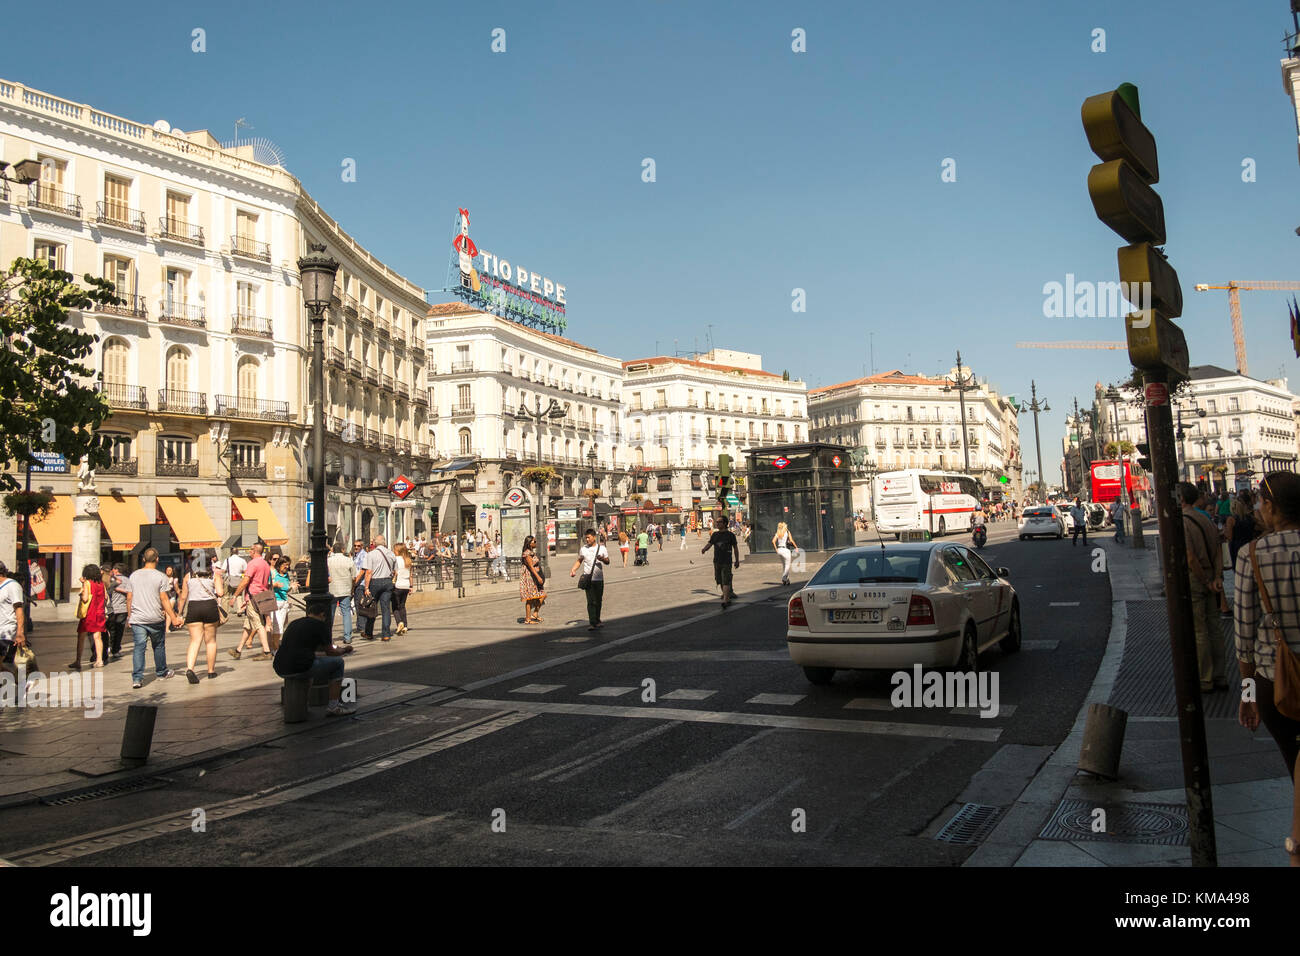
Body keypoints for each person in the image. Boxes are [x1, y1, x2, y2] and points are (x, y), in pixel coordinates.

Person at [1233, 472, 1300, 867]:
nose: (1259, 509)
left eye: (1261, 502)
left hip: (1275, 681)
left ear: (1272, 507)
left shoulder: (1252, 555)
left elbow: (1243, 634)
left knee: (1295, 761)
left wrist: (1246, 695)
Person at [273, 597, 356, 716]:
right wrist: (343, 650)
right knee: (338, 663)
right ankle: (334, 706)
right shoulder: (320, 625)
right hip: (300, 667)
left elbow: (306, 649)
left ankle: (303, 704)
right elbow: (331, 653)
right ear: (322, 614)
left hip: (280, 667)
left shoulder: (294, 623)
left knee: (311, 662)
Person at [1180, 482, 1227, 694]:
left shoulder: (1183, 522)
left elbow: (1190, 557)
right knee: (1215, 628)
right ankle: (1220, 675)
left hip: (1196, 580)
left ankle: (1205, 678)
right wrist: (1216, 577)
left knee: (1200, 630)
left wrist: (1205, 580)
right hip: (1211, 576)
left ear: (1181, 499)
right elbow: (1218, 549)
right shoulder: (1206, 519)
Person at [126, 548, 182, 689]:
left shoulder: (133, 576)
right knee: (158, 646)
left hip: (138, 619)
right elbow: (164, 599)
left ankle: (137, 678)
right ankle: (161, 672)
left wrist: (129, 616)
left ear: (143, 559)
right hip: (155, 617)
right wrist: (174, 618)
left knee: (139, 647)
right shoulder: (161, 576)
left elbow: (129, 598)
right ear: (157, 559)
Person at [179, 550, 224, 683]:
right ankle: (211, 671)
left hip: (193, 608)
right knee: (210, 641)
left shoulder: (188, 576)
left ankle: (190, 668)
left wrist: (179, 614)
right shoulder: (214, 575)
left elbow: (183, 597)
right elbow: (220, 593)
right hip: (210, 608)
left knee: (194, 641)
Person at [229, 542, 273, 661]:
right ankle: (238, 650)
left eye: (250, 550)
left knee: (258, 625)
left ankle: (266, 651)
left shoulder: (253, 564)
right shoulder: (265, 564)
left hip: (254, 598)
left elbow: (245, 581)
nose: (249, 551)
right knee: (248, 625)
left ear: (253, 551)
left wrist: (235, 595)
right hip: (262, 596)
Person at [570, 528, 611, 631]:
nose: (587, 539)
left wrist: (602, 559)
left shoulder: (602, 548)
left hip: (599, 579)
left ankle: (597, 619)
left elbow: (608, 561)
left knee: (598, 600)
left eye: (588, 537)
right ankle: (592, 622)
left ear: (594, 537)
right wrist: (573, 570)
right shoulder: (583, 549)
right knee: (590, 601)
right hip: (588, 578)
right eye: (586, 538)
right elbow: (579, 560)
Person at [362, 534, 398, 641]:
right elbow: (396, 571)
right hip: (387, 582)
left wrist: (366, 587)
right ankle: (386, 634)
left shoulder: (371, 554)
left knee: (371, 607)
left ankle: (369, 632)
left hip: (375, 582)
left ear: (375, 543)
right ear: (384, 542)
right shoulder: (391, 554)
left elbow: (368, 572)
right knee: (386, 608)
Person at [702, 512, 741, 608]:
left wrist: (737, 560)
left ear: (724, 523)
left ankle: (726, 600)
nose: (717, 523)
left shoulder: (730, 535)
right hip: (717, 561)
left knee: (726, 580)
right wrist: (704, 549)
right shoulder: (715, 534)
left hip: (727, 561)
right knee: (719, 579)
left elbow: (735, 548)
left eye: (719, 522)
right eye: (717, 522)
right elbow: (710, 544)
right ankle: (726, 595)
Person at [72, 563, 107, 670]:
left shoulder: (87, 583)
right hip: (99, 612)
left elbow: (86, 598)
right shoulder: (101, 584)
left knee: (81, 637)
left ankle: (78, 660)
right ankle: (99, 660)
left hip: (89, 613)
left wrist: (82, 591)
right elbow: (105, 597)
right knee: (98, 637)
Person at [1225, 492, 1259, 595]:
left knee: (1239, 570)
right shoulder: (1249, 518)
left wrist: (1225, 533)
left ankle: (1244, 591)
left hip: (1236, 546)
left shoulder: (1231, 519)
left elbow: (1230, 537)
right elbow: (1263, 527)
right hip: (1249, 544)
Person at [0, 561, 28, 680]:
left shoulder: (12, 585)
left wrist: (20, 632)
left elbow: (19, 610)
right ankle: (21, 682)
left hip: (7, 631)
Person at [326, 542, 358, 644]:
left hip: (332, 589)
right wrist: (352, 587)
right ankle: (347, 636)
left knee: (330, 614)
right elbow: (354, 576)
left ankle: (328, 637)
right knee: (346, 613)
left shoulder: (328, 561)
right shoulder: (349, 560)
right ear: (343, 550)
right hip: (345, 589)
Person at [103, 563, 128, 662]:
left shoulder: (107, 580)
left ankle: (109, 648)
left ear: (116, 570)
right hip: (122, 608)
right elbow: (130, 594)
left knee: (109, 630)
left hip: (111, 609)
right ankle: (115, 649)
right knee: (119, 630)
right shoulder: (127, 580)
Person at [519, 535, 545, 624]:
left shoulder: (531, 552)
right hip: (530, 578)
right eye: (534, 541)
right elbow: (531, 567)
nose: (536, 543)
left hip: (534, 577)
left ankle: (535, 614)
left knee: (542, 595)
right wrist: (538, 577)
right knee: (529, 599)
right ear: (529, 543)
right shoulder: (527, 554)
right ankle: (528, 619)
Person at [271, 555, 294, 640]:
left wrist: (291, 587)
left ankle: (275, 645)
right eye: (285, 565)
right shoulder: (273, 574)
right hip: (275, 602)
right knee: (277, 626)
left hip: (284, 603)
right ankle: (274, 646)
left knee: (281, 626)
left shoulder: (286, 575)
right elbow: (266, 586)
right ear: (279, 564)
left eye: (288, 565)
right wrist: (275, 585)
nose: (287, 567)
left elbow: (286, 590)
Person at [391, 543, 412, 635]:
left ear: (397, 550)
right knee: (402, 606)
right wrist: (411, 586)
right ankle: (405, 626)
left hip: (397, 585)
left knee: (395, 606)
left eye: (394, 549)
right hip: (406, 586)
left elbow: (394, 573)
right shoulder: (408, 560)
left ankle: (400, 622)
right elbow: (411, 575)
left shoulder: (395, 560)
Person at [772, 521, 797, 586]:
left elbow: (773, 541)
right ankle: (784, 578)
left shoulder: (778, 533)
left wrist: (776, 549)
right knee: (787, 566)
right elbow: (791, 540)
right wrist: (796, 547)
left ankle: (787, 580)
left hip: (779, 550)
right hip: (786, 550)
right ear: (785, 527)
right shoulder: (787, 532)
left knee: (784, 565)